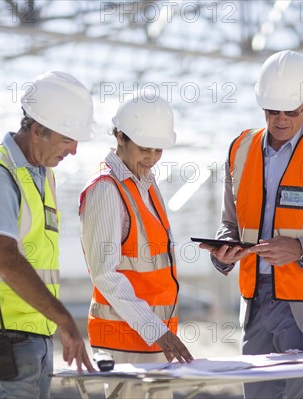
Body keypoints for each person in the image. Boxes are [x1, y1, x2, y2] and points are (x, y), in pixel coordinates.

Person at [199, 50, 303, 399]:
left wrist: (300, 249)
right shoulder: (240, 149)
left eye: (290, 112)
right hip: (256, 304)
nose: (279, 120)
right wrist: (223, 250)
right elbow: (229, 223)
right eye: (271, 111)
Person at [0, 71, 97, 398]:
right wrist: (64, 317)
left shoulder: (42, 177)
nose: (74, 150)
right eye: (67, 139)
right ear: (37, 131)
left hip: (32, 330)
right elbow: (5, 258)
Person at [79, 94, 194, 399]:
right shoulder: (106, 189)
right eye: (145, 148)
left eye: (159, 149)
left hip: (156, 338)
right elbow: (105, 274)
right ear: (119, 137)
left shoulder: (146, 183)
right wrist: (156, 330)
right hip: (126, 342)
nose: (153, 157)